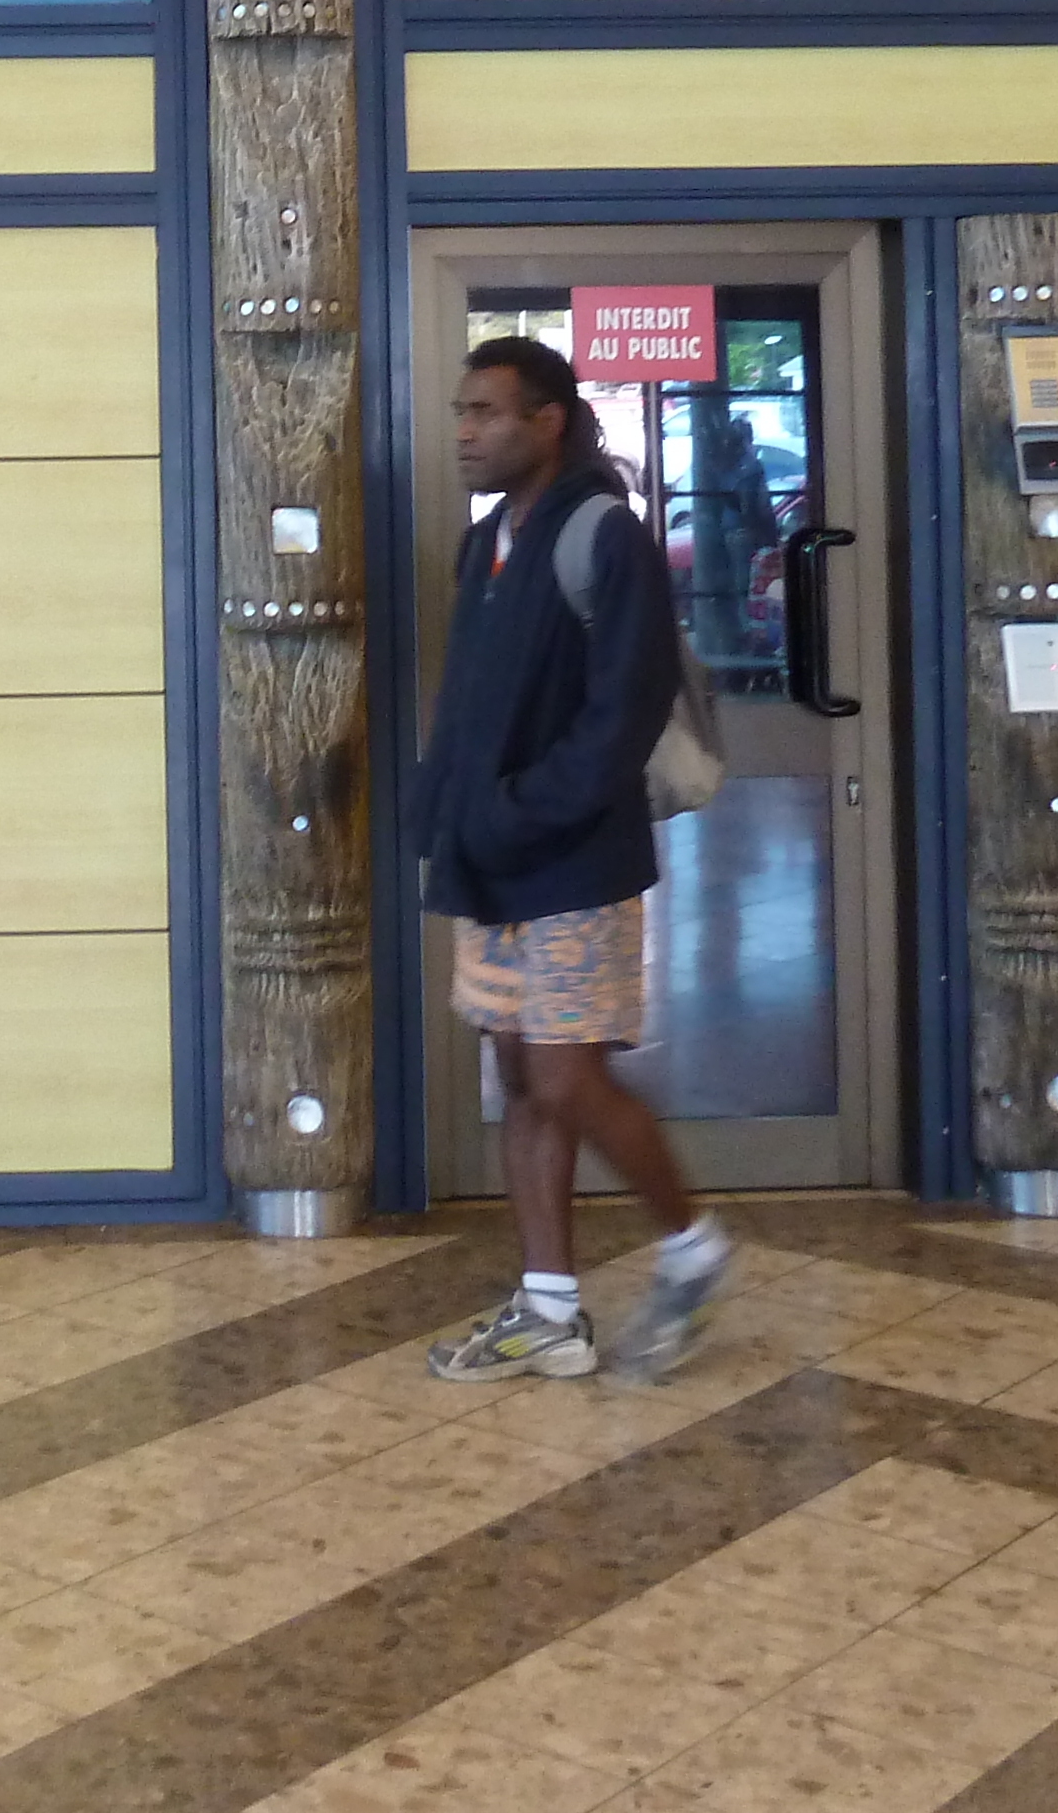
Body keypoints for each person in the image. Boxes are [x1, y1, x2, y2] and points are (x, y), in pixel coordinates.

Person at [407, 337, 730, 1385]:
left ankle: (690, 1250)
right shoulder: (484, 544)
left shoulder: (606, 536)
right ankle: (548, 1306)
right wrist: (444, 807)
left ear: (548, 421)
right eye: (460, 411)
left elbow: (622, 715)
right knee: (515, 1072)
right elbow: (468, 706)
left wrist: (516, 811)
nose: (466, 431)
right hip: (491, 856)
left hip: (574, 860)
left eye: (489, 412)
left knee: (563, 1071)